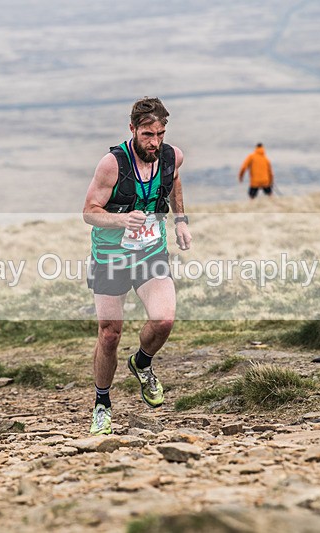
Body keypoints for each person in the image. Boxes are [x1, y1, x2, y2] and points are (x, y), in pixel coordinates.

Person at [83, 97, 192, 435]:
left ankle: (142, 362)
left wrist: (181, 221)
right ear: (132, 129)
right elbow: (88, 211)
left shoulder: (172, 156)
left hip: (150, 253)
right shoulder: (112, 165)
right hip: (111, 256)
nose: (154, 142)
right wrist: (120, 220)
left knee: (164, 320)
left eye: (160, 134)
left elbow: (172, 183)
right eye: (147, 134)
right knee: (110, 334)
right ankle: (102, 403)